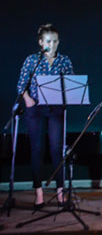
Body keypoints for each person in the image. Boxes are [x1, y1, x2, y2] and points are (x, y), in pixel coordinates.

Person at [17, 24, 74, 209]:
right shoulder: (32, 60)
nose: (53, 44)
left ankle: (60, 193)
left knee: (57, 149)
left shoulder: (64, 60)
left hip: (56, 109)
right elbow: (21, 84)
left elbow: (71, 83)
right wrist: (27, 99)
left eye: (55, 41)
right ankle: (38, 193)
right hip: (35, 109)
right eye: (49, 41)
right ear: (41, 42)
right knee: (36, 149)